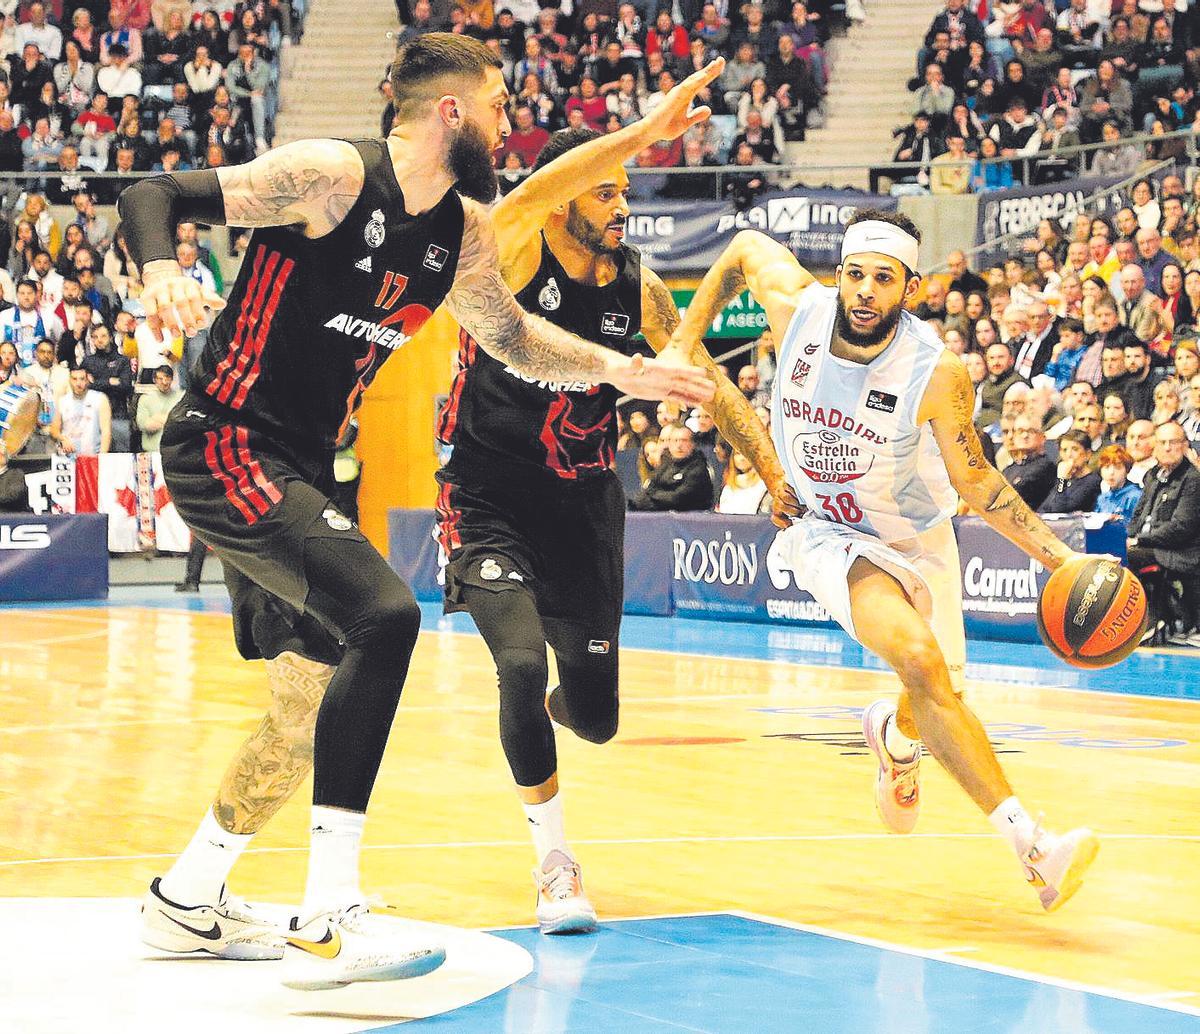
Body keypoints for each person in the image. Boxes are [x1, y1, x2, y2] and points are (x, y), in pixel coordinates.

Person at [117, 33, 714, 985]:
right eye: (501, 102)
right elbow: (149, 195)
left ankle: (189, 898)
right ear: (452, 113)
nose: (510, 119)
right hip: (225, 440)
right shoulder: (329, 179)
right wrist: (156, 271)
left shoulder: (462, 235)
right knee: (386, 614)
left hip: (299, 468)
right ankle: (328, 920)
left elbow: (518, 342)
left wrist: (632, 371)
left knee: (306, 698)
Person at [668, 209, 1099, 910]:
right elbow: (745, 247)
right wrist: (687, 339)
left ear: (912, 287)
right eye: (856, 275)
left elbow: (979, 482)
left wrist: (1060, 560)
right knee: (923, 663)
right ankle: (1035, 851)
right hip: (827, 535)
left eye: (884, 279)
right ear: (839, 276)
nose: (866, 291)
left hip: (917, 539)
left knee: (937, 695)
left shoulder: (937, 370)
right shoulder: (798, 311)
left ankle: (896, 741)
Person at [433, 61, 758, 934]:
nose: (622, 207)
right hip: (487, 491)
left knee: (598, 718)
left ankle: (550, 711)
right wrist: (644, 128)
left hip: (582, 505)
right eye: (606, 191)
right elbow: (536, 186)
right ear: (571, 195)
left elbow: (707, 386)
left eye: (626, 192)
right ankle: (556, 863)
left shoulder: (636, 287)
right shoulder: (509, 243)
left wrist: (774, 473)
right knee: (519, 661)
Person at [628, 422, 715, 511]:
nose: (679, 445)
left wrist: (652, 498)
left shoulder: (699, 469)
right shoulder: (665, 467)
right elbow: (648, 490)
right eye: (675, 441)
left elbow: (678, 498)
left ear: (693, 444)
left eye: (684, 440)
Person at [49, 366, 110, 455]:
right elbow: (54, 429)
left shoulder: (100, 399)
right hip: (68, 457)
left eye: (82, 379)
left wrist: (102, 457)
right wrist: (62, 439)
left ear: (87, 380)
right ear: (69, 380)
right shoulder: (63, 401)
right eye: (74, 379)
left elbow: (106, 431)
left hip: (92, 456)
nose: (78, 383)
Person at [1039, 429, 1101, 512]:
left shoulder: (1093, 481)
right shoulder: (1068, 480)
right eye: (1064, 450)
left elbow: (1059, 510)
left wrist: (1062, 480)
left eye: (1075, 449)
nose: (1068, 455)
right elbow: (1044, 509)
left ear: (1087, 454)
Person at [1003, 414, 1056, 508]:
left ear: (1042, 438)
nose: (1025, 435)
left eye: (1031, 431)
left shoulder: (1046, 467)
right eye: (1020, 431)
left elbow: (1019, 490)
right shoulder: (1008, 469)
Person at [135, 363, 182, 452]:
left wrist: (157, 418)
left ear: (172, 379)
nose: (164, 382)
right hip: (152, 450)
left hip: (175, 451)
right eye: (160, 379)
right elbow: (144, 425)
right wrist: (171, 419)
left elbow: (182, 423)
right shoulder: (145, 399)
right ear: (154, 380)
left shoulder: (181, 396)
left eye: (167, 378)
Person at [1095, 443, 1141, 522]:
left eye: (1118, 467)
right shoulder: (1102, 498)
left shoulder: (1135, 496)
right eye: (1106, 467)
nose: (1111, 472)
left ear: (1127, 470)